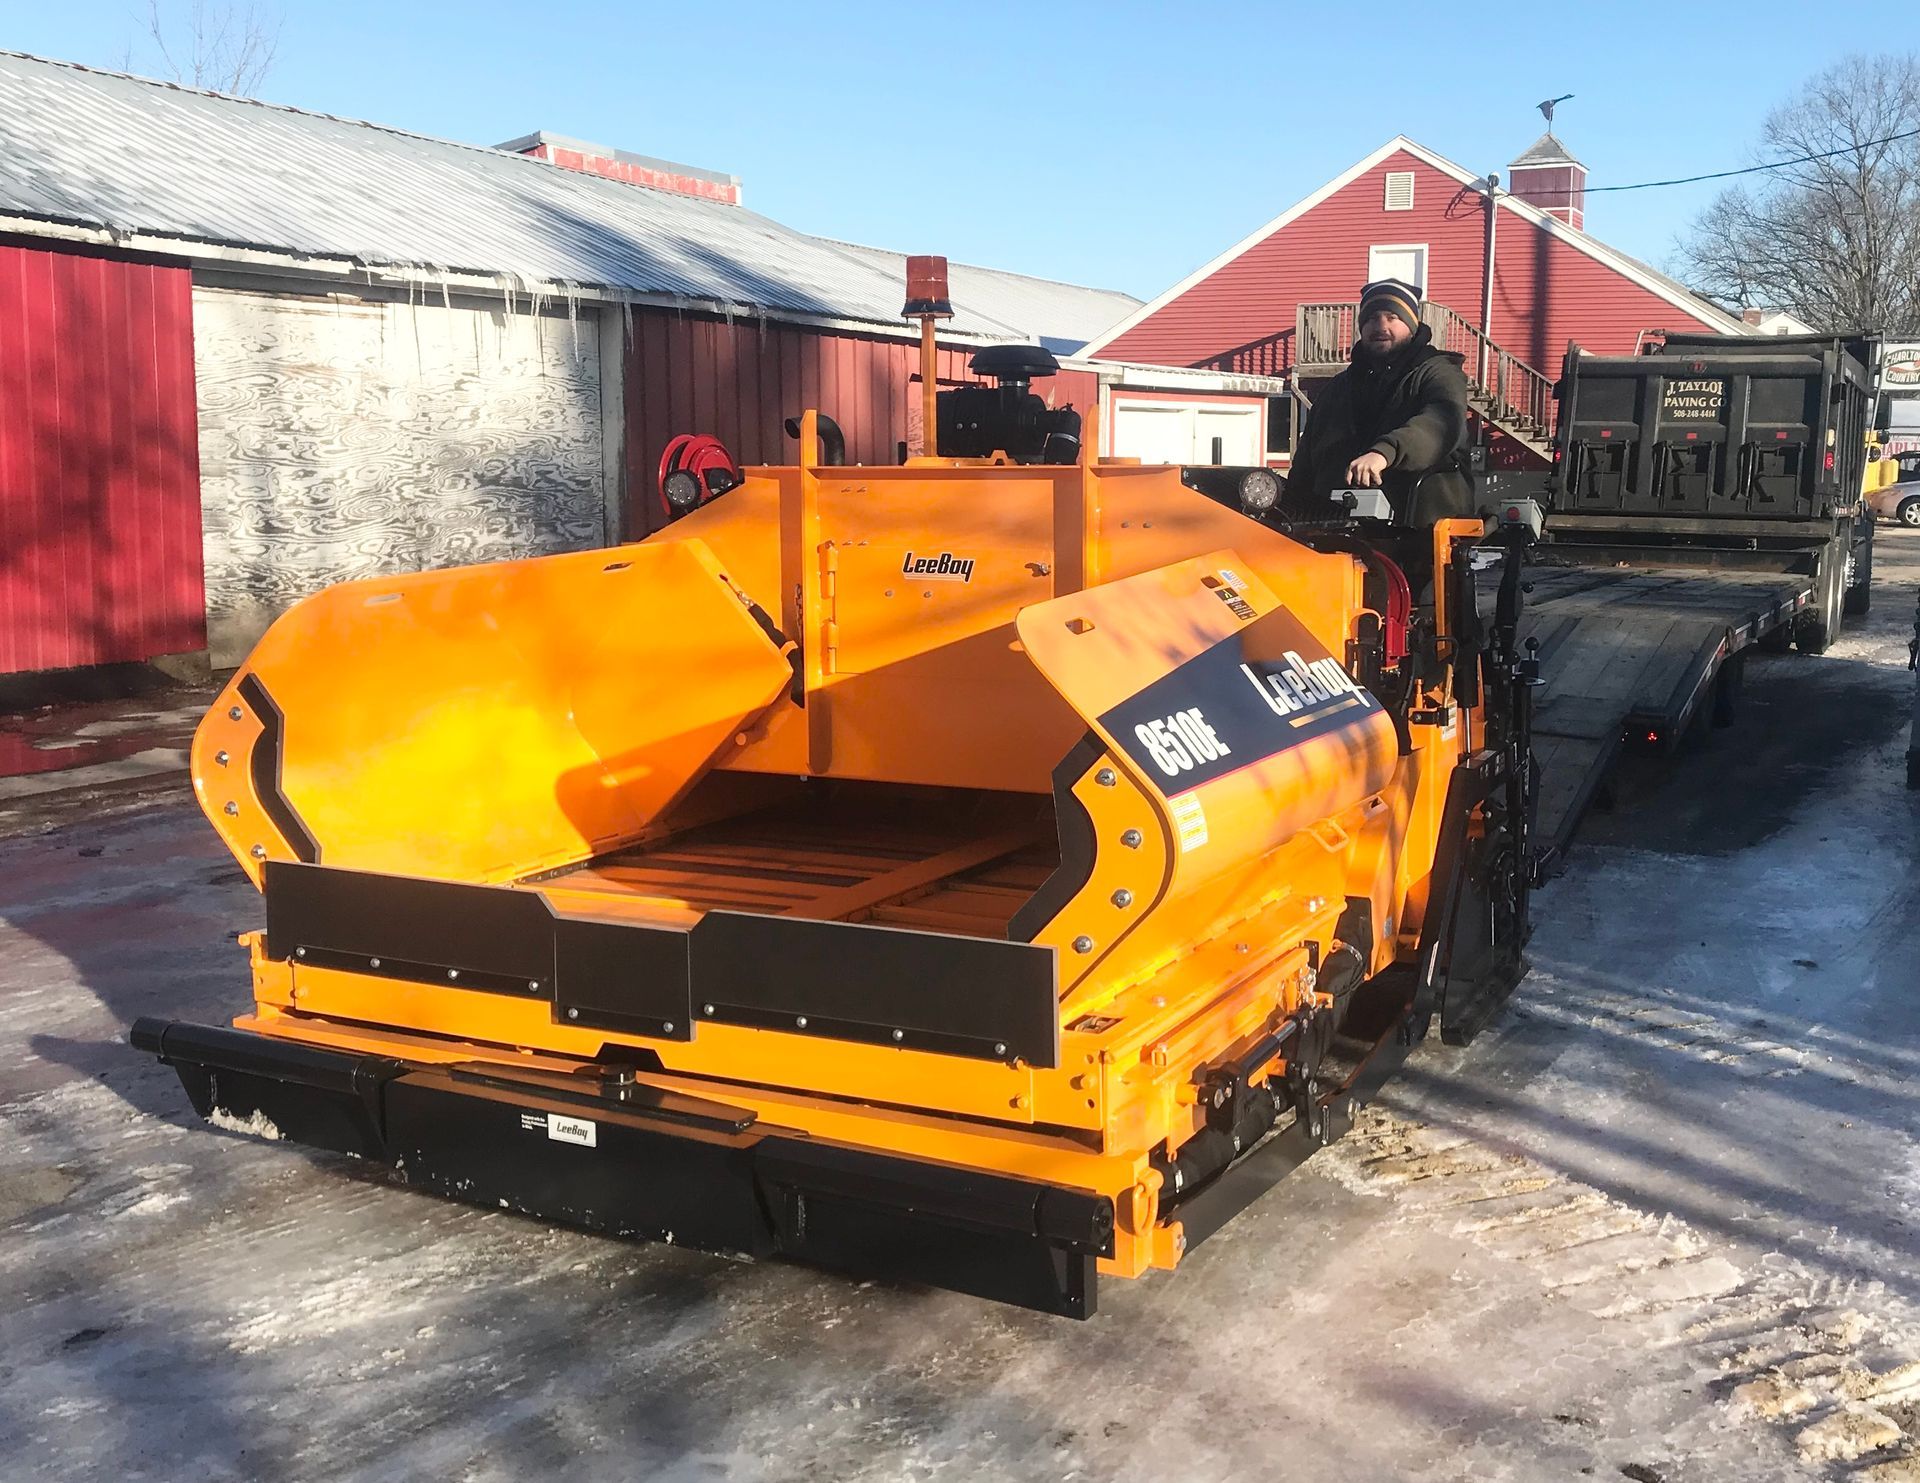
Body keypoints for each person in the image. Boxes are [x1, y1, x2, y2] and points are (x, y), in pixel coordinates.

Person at [1285, 279, 1474, 529]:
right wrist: (1287, 507)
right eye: (1372, 318)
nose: (1381, 326)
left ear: (1412, 325)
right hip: (1334, 533)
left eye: (1392, 317)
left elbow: (1438, 424)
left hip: (1420, 533)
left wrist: (1384, 453)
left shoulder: (1438, 374)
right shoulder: (1337, 389)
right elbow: (1306, 464)